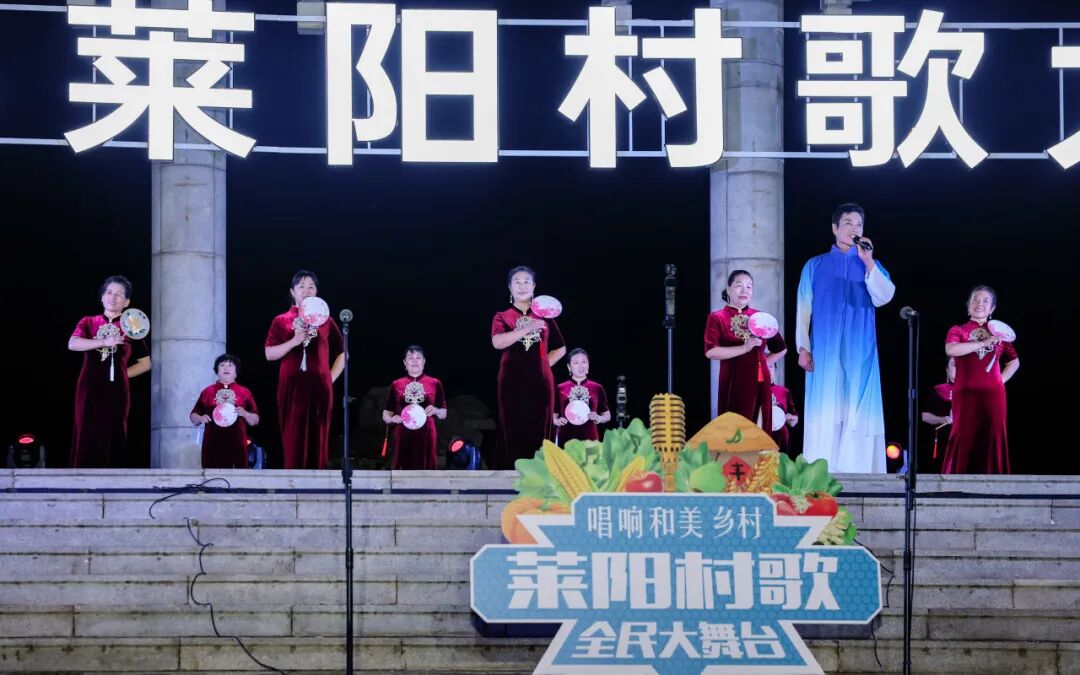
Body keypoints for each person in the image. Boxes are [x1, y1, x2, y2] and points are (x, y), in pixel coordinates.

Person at [796, 203, 895, 473]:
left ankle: (859, 470)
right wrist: (803, 347)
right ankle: (821, 470)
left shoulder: (870, 265)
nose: (854, 228)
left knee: (858, 404)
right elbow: (803, 308)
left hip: (860, 348)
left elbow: (885, 296)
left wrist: (868, 261)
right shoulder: (815, 265)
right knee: (825, 404)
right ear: (835, 228)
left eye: (859, 224)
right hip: (824, 348)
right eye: (848, 223)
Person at [68, 275, 151, 468]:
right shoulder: (89, 321)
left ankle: (114, 478)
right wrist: (104, 342)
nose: (112, 297)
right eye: (109, 292)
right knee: (86, 428)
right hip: (89, 385)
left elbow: (146, 364)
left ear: (127, 302)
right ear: (102, 296)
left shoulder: (132, 327)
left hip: (117, 389)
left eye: (119, 294)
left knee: (114, 429)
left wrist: (122, 374)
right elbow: (73, 343)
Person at [264, 270, 344, 469]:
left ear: (316, 291)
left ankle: (319, 480)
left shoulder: (326, 320)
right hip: (292, 387)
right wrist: (293, 341)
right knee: (293, 434)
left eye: (311, 287)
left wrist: (329, 378)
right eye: (301, 286)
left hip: (321, 387)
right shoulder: (281, 320)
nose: (306, 290)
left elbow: (343, 354)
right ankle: (293, 480)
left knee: (319, 434)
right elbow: (269, 353)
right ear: (292, 292)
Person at [491, 266, 566, 469]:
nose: (522, 285)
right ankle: (510, 474)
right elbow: (498, 342)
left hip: (540, 380)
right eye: (517, 281)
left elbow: (560, 348)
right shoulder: (502, 315)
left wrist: (542, 365)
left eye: (527, 281)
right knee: (512, 424)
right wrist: (528, 328)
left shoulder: (545, 316)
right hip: (510, 379)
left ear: (534, 287)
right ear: (510, 287)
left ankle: (539, 474)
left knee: (540, 424)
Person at [942, 286, 1019, 474]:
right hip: (965, 392)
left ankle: (995, 481)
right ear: (968, 305)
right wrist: (983, 343)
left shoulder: (999, 334)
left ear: (992, 309)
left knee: (993, 433)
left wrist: (999, 381)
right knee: (963, 433)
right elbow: (951, 349)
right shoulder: (958, 330)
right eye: (975, 300)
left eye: (985, 301)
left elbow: (1014, 361)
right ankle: (957, 480)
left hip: (993, 394)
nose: (980, 304)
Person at [704, 270, 787, 431]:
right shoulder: (717, 317)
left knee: (760, 425)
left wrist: (762, 362)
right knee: (734, 427)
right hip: (733, 379)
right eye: (739, 285)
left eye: (749, 287)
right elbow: (711, 352)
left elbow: (781, 349)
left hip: (759, 379)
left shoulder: (760, 317)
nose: (744, 290)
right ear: (728, 289)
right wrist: (744, 348)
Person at [382, 345, 447, 470]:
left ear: (424, 361)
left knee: (427, 469)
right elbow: (386, 412)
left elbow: (444, 413)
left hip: (427, 434)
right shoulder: (396, 384)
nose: (415, 361)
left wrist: (436, 410)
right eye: (411, 358)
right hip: (403, 433)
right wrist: (391, 419)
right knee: (401, 470)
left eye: (418, 358)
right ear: (404, 362)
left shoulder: (435, 383)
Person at [190, 354, 260, 469]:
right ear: (216, 370)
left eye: (230, 365)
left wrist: (245, 414)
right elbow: (193, 416)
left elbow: (255, 420)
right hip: (212, 444)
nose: (226, 368)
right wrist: (200, 418)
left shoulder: (244, 392)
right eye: (222, 365)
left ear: (237, 371)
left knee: (238, 475)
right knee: (212, 476)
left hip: (237, 444)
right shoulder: (207, 392)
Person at [553, 348, 611, 443]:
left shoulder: (597, 387)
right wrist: (555, 421)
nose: (581, 366)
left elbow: (607, 415)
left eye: (584, 362)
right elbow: (553, 413)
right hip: (566, 438)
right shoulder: (560, 388)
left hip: (590, 439)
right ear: (569, 367)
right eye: (576, 363)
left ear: (588, 365)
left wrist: (599, 418)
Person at [921, 358, 956, 463]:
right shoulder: (939, 391)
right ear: (947, 370)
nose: (958, 368)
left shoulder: (973, 392)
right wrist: (941, 419)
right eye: (954, 364)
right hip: (944, 445)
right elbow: (923, 415)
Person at [768, 362, 800, 457]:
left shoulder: (784, 392)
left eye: (771, 366)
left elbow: (793, 417)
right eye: (764, 366)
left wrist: (792, 419)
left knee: (780, 464)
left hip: (780, 438)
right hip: (759, 438)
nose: (768, 369)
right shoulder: (752, 392)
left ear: (775, 369)